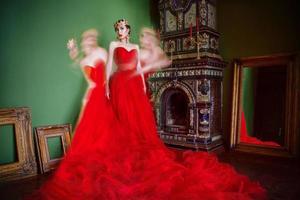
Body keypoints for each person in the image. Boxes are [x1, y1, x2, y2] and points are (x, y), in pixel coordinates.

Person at [30, 19, 267, 200]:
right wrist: (109, 90)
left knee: (139, 120)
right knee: (122, 119)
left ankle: (136, 145)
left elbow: (140, 67)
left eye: (123, 27)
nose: (121, 30)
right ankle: (124, 148)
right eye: (119, 27)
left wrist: (144, 86)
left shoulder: (133, 45)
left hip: (134, 84)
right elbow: (112, 67)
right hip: (119, 82)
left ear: (129, 30)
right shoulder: (113, 45)